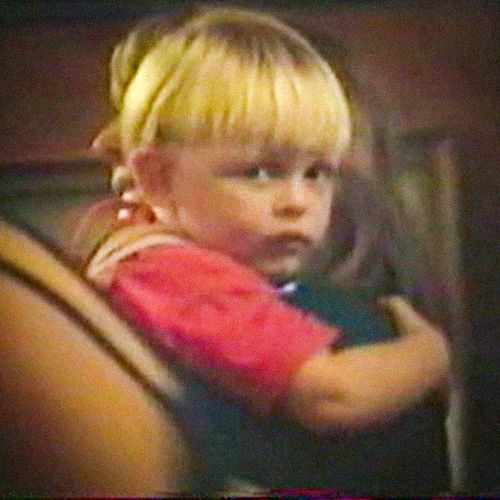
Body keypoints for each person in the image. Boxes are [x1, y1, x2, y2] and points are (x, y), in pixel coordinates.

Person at [71, 7, 450, 493]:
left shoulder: (143, 251)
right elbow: (333, 395)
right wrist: (430, 354)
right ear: (156, 176)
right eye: (260, 172)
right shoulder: (174, 274)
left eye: (317, 174)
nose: (298, 202)